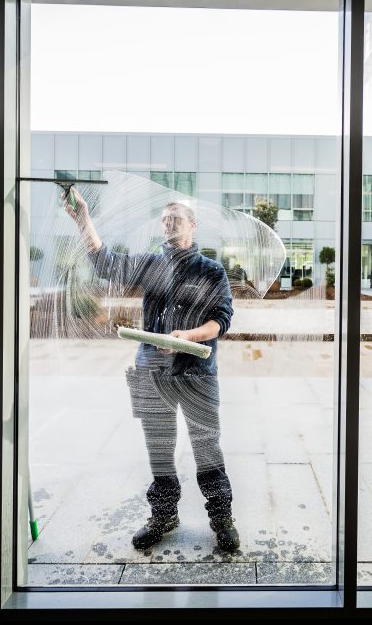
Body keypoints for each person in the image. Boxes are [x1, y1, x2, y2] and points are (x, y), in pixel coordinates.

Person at [63, 188, 240, 552]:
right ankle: (163, 515)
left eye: (176, 216)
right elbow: (105, 262)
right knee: (159, 449)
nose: (168, 222)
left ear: (192, 224)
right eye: (164, 218)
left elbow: (220, 321)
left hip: (196, 373)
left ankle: (222, 519)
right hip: (151, 372)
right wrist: (83, 220)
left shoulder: (211, 271)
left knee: (207, 446)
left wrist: (185, 336)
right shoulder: (151, 264)